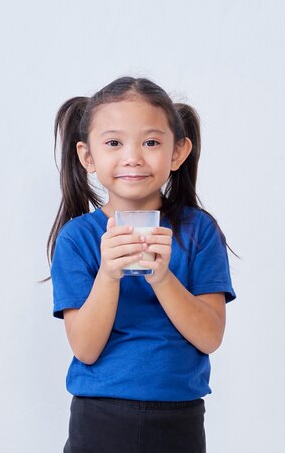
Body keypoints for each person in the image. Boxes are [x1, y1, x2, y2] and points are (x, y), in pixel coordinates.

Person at [47, 76, 236, 453]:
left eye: (151, 142)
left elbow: (210, 337)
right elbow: (85, 348)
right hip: (100, 418)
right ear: (88, 156)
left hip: (178, 418)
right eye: (114, 143)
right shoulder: (78, 238)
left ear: (178, 152)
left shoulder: (198, 231)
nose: (132, 157)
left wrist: (163, 277)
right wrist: (109, 273)